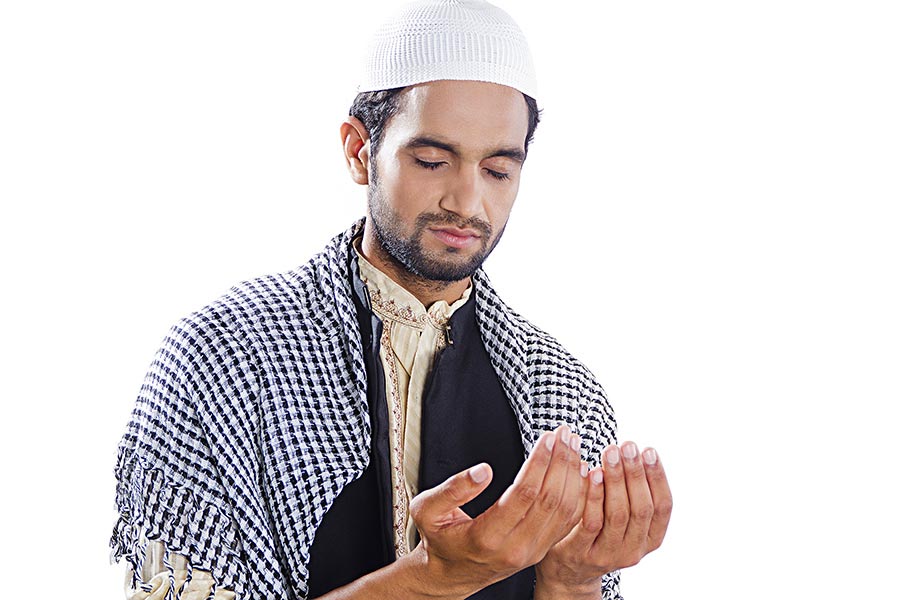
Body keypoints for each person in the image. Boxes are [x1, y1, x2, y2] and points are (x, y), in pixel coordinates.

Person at [110, 1, 673, 599]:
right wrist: (433, 581)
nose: (467, 202)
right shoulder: (222, 360)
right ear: (360, 150)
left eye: (499, 171)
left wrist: (574, 580)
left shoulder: (559, 393)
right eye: (433, 160)